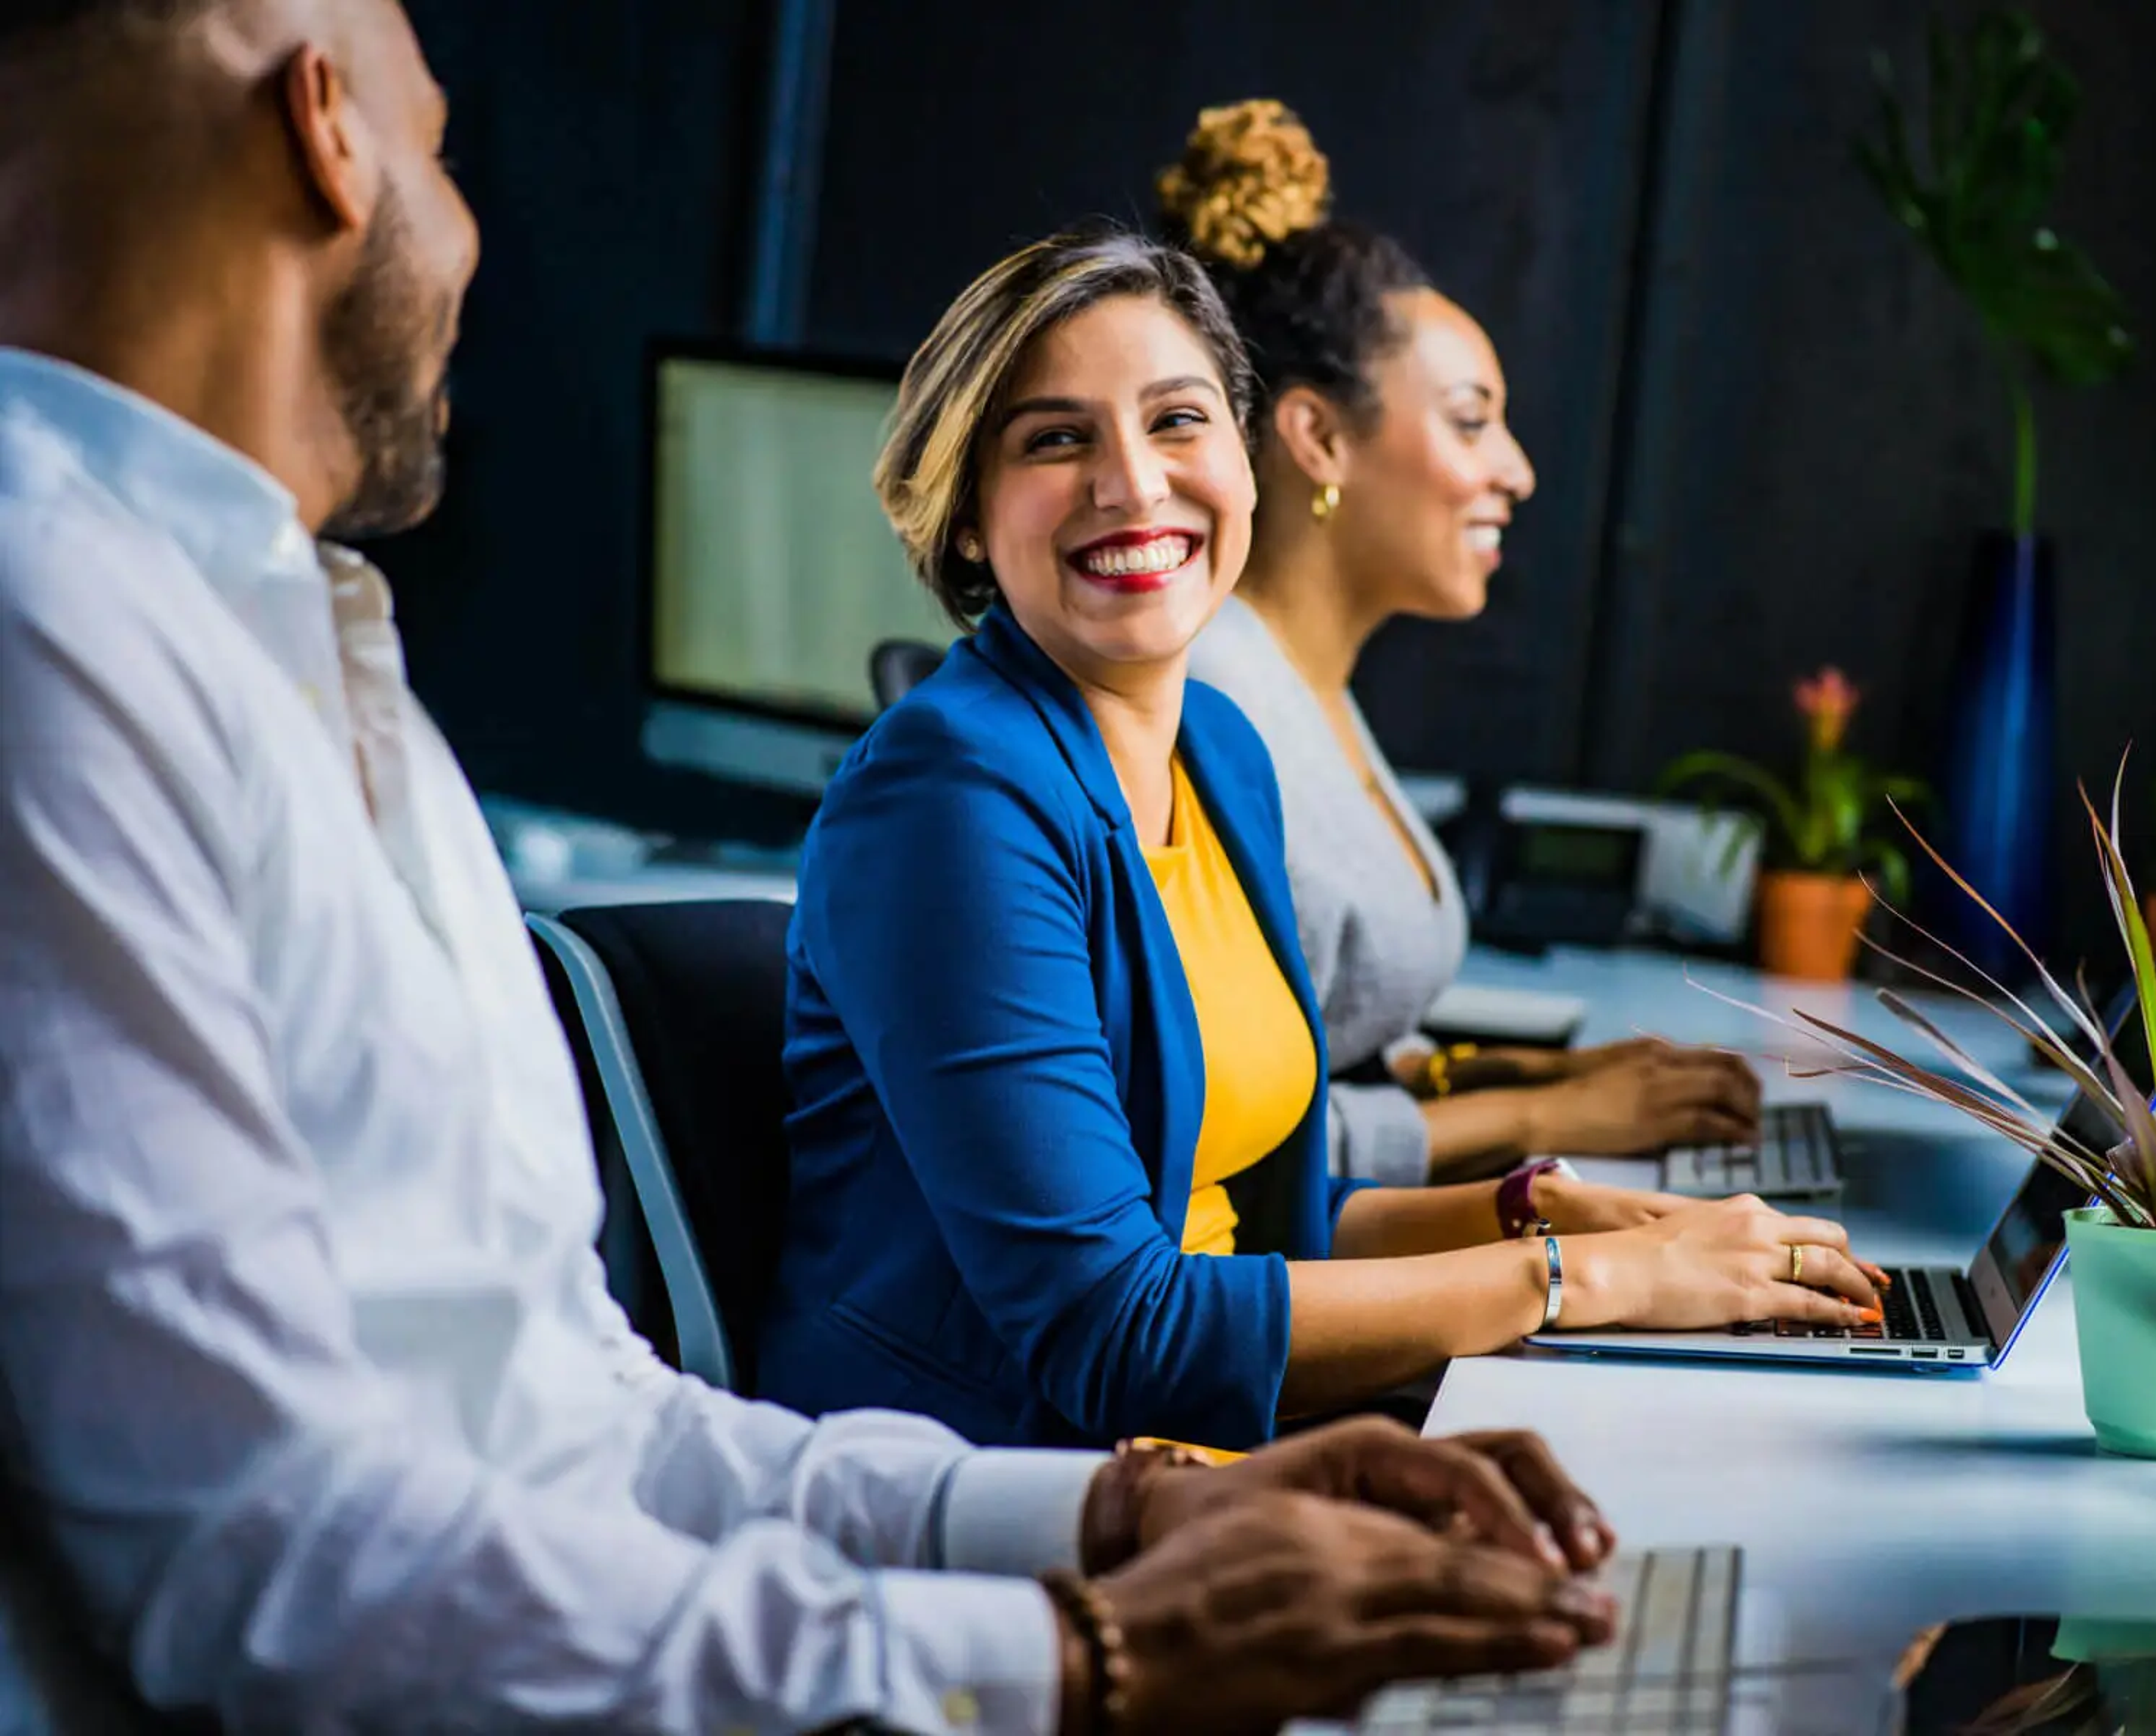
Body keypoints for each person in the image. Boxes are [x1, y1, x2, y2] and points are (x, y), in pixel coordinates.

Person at [0, 5, 1623, 1731]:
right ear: (329, 133)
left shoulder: (299, 643)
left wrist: (1129, 1520)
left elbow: (581, 1424)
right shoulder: (59, 634)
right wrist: (1087, 1652)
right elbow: (270, 1568)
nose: (469, 235)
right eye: (444, 148)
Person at [765, 225, 1885, 1454]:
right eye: (1056, 439)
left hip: (1211, 1456)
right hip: (1000, 1492)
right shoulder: (950, 798)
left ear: (1247, 462)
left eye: (1179, 421)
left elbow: (1262, 1228)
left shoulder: (1223, 753)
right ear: (970, 518)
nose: (1134, 483)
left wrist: (1543, 1215)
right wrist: (1584, 1281)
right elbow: (1113, 1330)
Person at [1170, 100, 1768, 1194]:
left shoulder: (1306, 689)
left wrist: (1522, 1072)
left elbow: (1321, 1044)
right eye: (1469, 419)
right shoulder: (1216, 712)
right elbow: (1224, 1143)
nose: (1517, 471)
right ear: (1317, 436)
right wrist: (1541, 1113)